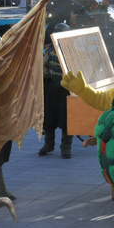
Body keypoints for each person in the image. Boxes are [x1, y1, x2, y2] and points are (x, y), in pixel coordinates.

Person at [39, 23, 72, 159]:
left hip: (68, 88)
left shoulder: (72, 49)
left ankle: (66, 148)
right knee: (49, 118)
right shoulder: (50, 48)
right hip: (53, 86)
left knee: (67, 120)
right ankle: (49, 144)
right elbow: (45, 66)